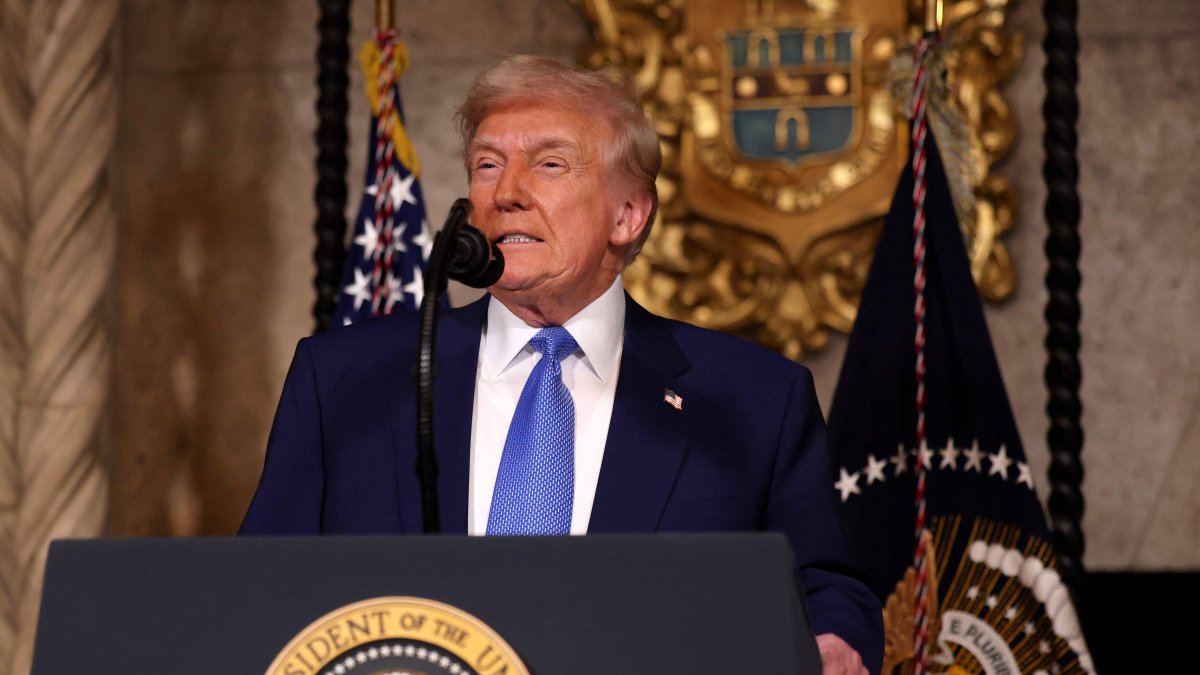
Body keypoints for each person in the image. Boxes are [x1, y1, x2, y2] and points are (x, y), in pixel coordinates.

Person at [241, 55, 883, 675]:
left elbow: (825, 585)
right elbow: (260, 593)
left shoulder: (752, 398)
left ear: (628, 215)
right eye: (487, 165)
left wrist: (832, 639)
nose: (506, 193)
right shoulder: (348, 379)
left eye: (549, 164)